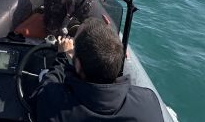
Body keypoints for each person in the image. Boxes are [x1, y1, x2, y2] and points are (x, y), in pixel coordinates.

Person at [31, 17, 165, 122]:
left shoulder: (53, 103)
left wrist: (62, 56)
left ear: (77, 65)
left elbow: (45, 88)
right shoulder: (148, 102)